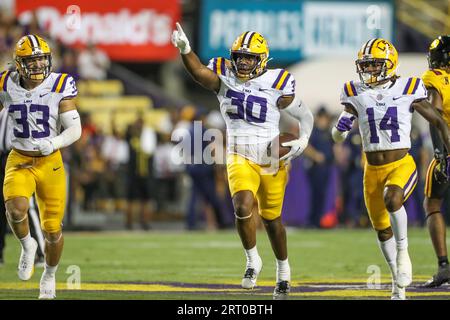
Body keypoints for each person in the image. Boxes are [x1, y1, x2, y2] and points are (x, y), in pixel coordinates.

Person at [171, 23, 313, 299]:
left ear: (262, 60)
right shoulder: (224, 74)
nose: (244, 62)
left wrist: (304, 140)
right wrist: (186, 49)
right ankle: (252, 260)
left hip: (271, 156)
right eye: (240, 56)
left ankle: (283, 270)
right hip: (238, 154)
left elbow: (304, 116)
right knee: (242, 206)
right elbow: (200, 73)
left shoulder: (277, 83)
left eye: (249, 57)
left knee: (272, 220)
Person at [331, 38, 450, 300]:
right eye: (367, 65)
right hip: (371, 169)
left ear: (390, 64)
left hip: (401, 164)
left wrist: (446, 151)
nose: (370, 70)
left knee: (393, 198)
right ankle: (398, 284)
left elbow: (438, 121)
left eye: (375, 65)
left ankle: (404, 252)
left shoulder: (409, 87)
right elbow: (339, 132)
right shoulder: (354, 91)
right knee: (382, 229)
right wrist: (339, 129)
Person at [0, 35, 82, 299]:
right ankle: (26, 245)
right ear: (19, 64)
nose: (37, 66)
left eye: (40, 59)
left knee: (52, 230)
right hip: (20, 158)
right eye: (31, 61)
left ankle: (49, 275)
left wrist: (54, 142)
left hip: (50, 162)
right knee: (15, 210)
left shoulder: (60, 84)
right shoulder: (5, 82)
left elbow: (75, 129)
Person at [421, 35, 450, 288]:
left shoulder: (435, 77)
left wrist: (441, 154)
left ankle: (444, 267)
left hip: (448, 147)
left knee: (433, 204)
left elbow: (435, 114)